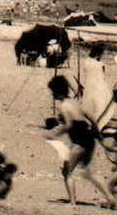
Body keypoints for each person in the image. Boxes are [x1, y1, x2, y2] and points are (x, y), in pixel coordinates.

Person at [46, 74, 113, 206]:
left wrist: (55, 133)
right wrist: (98, 134)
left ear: (57, 92)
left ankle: (72, 202)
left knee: (67, 171)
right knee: (87, 171)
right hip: (89, 139)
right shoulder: (76, 102)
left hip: (79, 141)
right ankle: (109, 197)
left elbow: (69, 125)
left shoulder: (63, 106)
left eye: (53, 92)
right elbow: (92, 118)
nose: (52, 95)